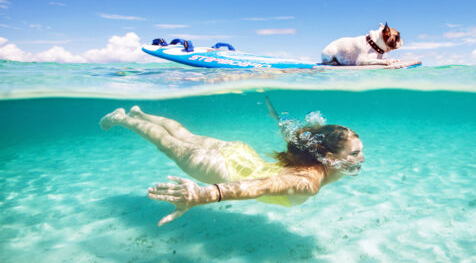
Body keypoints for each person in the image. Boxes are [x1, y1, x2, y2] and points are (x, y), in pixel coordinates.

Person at [99, 99, 364, 226]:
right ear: (329, 157)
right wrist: (206, 194)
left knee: (184, 136)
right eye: (354, 154)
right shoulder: (309, 182)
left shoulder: (310, 150)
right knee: (166, 143)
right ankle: (121, 118)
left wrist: (278, 120)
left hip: (238, 152)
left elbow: (295, 136)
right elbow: (261, 186)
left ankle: (140, 113)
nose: (361, 159)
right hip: (218, 167)